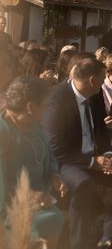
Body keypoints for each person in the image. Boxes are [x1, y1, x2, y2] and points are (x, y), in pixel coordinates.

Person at [42, 57, 112, 249]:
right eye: (103, 79)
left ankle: (108, 238)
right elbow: (56, 149)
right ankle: (79, 244)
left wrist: (108, 154)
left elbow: (102, 131)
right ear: (92, 81)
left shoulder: (94, 94)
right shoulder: (56, 100)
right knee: (83, 183)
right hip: (68, 162)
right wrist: (92, 163)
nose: (105, 83)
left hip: (95, 157)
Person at [0, 76, 64, 248]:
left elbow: (49, 154)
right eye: (44, 105)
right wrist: (27, 196)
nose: (46, 111)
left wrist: (53, 175)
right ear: (30, 107)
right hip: (11, 203)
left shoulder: (34, 125)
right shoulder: (3, 131)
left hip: (43, 196)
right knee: (51, 219)